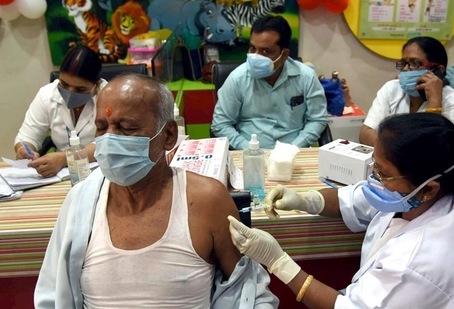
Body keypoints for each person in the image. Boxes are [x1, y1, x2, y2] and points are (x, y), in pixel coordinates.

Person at [34, 74, 278, 308]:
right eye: (101, 128)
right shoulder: (80, 201)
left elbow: (250, 292)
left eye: (126, 128)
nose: (109, 140)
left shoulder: (206, 200)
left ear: (169, 135)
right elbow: (52, 295)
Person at [228, 113, 454, 308]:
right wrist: (304, 200)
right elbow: (357, 197)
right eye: (374, 165)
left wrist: (278, 261)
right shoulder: (424, 196)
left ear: (428, 188)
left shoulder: (420, 261)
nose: (374, 178)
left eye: (382, 172)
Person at [211, 15, 328, 150]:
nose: (256, 56)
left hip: (294, 151)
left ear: (284, 54)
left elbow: (317, 119)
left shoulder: (306, 77)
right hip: (249, 152)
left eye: (266, 51)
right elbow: (221, 124)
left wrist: (292, 149)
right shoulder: (237, 78)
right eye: (252, 48)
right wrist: (250, 150)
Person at [14, 45, 106, 178]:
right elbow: (27, 137)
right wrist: (23, 149)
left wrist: (65, 159)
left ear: (96, 84)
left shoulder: (109, 96)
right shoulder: (47, 95)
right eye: (63, 84)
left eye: (80, 89)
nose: (70, 93)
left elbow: (110, 144)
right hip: (59, 175)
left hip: (99, 171)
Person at [359, 36, 454, 146]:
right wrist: (401, 152)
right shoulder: (392, 88)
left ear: (438, 70)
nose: (405, 69)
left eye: (414, 63)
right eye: (403, 63)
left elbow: (433, 148)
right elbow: (366, 134)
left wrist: (435, 102)